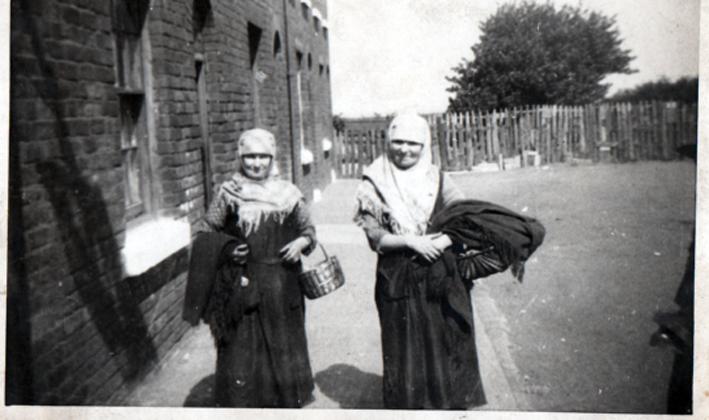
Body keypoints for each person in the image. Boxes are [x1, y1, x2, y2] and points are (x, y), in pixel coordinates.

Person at [353, 113, 486, 409]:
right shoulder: (374, 180)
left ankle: (447, 407)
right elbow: (375, 237)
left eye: (413, 143)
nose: (404, 149)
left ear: (424, 144)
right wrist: (412, 241)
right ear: (388, 141)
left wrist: (442, 241)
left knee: (446, 338)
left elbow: (465, 217)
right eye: (398, 141)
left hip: (440, 272)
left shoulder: (438, 178)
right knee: (404, 345)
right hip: (397, 274)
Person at [192, 128, 317, 408]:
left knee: (284, 344)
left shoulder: (288, 193)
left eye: (263, 156)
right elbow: (206, 232)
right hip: (244, 283)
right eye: (250, 157)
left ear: (272, 158)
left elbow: (309, 230)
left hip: (283, 283)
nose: (256, 163)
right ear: (240, 157)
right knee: (241, 350)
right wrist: (227, 248)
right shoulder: (229, 193)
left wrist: (301, 242)